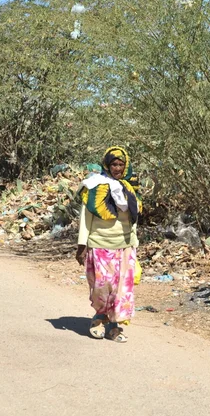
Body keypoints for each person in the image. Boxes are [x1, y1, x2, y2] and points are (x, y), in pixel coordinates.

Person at [75, 146, 142, 342]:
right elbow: (85, 219)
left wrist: (133, 243)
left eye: (121, 164)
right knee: (102, 286)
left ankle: (114, 326)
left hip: (124, 245)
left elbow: (133, 219)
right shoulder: (95, 186)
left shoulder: (130, 189)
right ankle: (99, 318)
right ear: (107, 164)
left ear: (126, 166)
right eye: (114, 164)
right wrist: (82, 246)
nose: (117, 168)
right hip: (100, 244)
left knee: (121, 290)